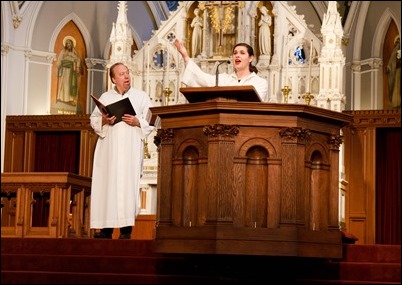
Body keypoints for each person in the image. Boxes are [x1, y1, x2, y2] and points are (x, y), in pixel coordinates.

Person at [90, 62, 154, 239]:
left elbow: (153, 120)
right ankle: (105, 229)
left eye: (127, 73)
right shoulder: (106, 97)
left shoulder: (141, 96)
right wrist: (104, 120)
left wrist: (137, 122)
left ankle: (126, 230)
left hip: (130, 149)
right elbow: (93, 120)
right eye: (121, 74)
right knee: (107, 186)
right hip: (108, 150)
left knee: (127, 186)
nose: (126, 77)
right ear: (113, 79)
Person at [173, 38, 269, 102]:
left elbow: (255, 105)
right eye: (235, 53)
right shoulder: (223, 79)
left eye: (242, 53)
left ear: (251, 58)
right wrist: (185, 56)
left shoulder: (259, 82)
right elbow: (202, 78)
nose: (237, 55)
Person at [56, 36, 82, 105]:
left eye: (70, 44)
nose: (68, 45)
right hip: (64, 70)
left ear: (72, 44)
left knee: (70, 84)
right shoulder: (63, 51)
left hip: (71, 71)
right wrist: (59, 65)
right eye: (67, 44)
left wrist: (77, 67)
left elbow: (78, 59)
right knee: (63, 84)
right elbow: (59, 59)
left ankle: (70, 99)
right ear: (65, 45)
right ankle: (62, 98)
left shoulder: (74, 52)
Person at [386, 35, 401, 108]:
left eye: (399, 41)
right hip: (397, 71)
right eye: (397, 42)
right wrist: (388, 67)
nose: (398, 44)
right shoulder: (394, 52)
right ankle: (396, 103)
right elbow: (391, 62)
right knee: (396, 86)